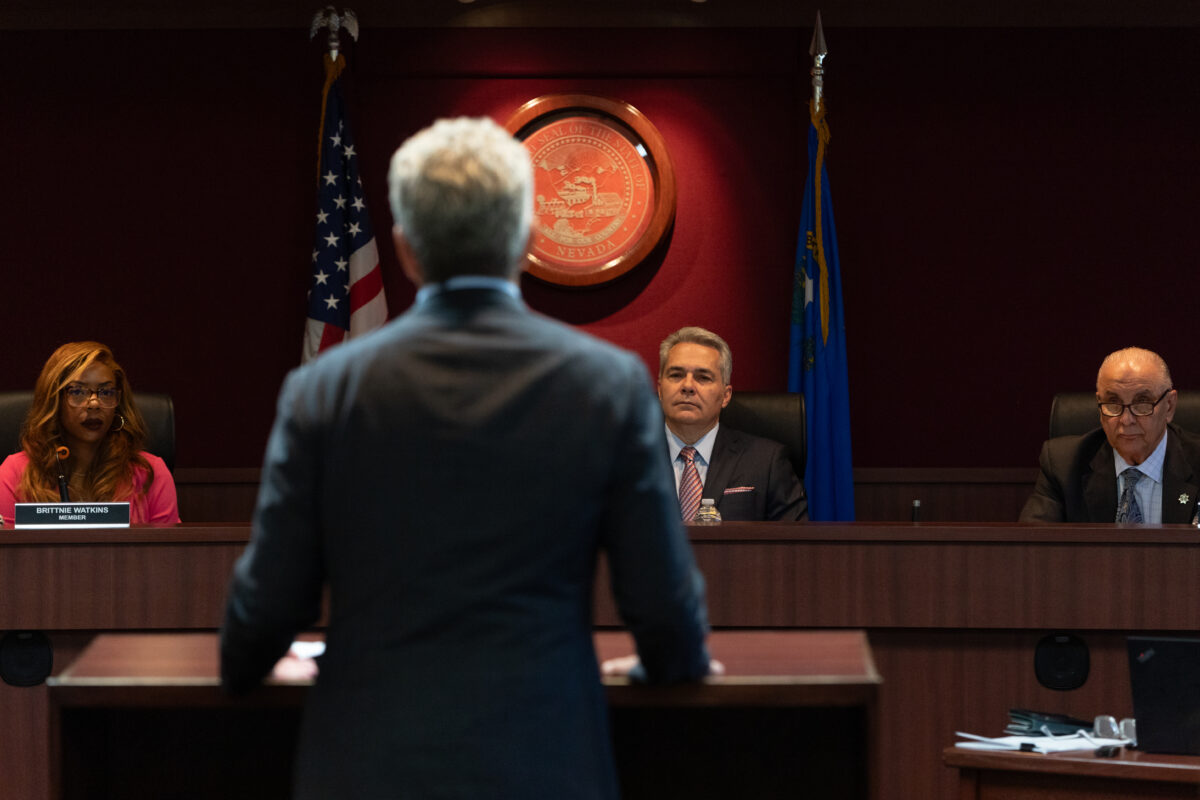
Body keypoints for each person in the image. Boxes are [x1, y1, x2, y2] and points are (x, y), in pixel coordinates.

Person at [220, 117, 712, 799]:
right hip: (545, 757)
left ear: (405, 250)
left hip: (367, 763)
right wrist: (671, 663)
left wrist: (246, 664)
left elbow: (267, 607)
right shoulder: (607, 385)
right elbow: (661, 608)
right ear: (527, 242)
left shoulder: (325, 388)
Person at [0, 342, 179, 527]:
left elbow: (166, 553)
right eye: (77, 391)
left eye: (106, 392)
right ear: (54, 400)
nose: (94, 403)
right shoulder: (14, 475)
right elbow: (8, 553)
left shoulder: (151, 474)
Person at [1020, 347, 1200, 523]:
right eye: (1113, 403)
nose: (1126, 419)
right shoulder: (1064, 465)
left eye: (1142, 403)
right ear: (1099, 405)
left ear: (1169, 406)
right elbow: (1033, 546)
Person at [658, 326, 808, 522]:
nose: (687, 386)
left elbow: (796, 547)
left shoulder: (766, 462)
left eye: (703, 377)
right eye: (676, 375)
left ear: (725, 396)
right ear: (660, 390)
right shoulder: (623, 459)